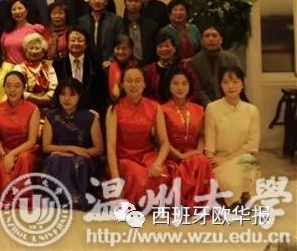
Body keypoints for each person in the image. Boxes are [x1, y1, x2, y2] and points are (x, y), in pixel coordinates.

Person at [106, 67, 170, 207]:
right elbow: (110, 146)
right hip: (125, 158)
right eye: (128, 81)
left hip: (148, 156)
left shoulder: (155, 107)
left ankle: (148, 203)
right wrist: (115, 179)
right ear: (122, 85)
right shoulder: (114, 109)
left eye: (138, 80)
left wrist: (158, 163)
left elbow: (165, 143)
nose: (133, 85)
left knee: (161, 175)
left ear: (144, 84)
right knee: (139, 177)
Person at [42, 78, 104, 210]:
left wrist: (76, 154)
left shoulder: (90, 117)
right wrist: (72, 149)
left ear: (79, 96)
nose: (66, 99)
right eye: (63, 94)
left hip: (83, 158)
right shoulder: (51, 116)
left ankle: (75, 199)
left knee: (77, 162)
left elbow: (99, 149)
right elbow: (46, 147)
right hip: (58, 156)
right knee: (56, 160)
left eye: (72, 94)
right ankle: (58, 199)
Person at [204, 67, 260, 205]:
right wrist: (211, 159)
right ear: (220, 85)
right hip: (218, 160)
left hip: (242, 157)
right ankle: (237, 199)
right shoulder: (212, 108)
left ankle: (242, 196)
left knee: (249, 161)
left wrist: (227, 158)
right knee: (228, 176)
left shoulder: (252, 110)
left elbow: (252, 145)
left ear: (242, 84)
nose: (230, 86)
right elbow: (209, 141)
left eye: (235, 82)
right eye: (226, 82)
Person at [160, 71, 214, 207]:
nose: (180, 88)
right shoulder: (162, 110)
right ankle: (184, 202)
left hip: (193, 154)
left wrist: (198, 152)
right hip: (171, 155)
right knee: (185, 166)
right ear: (169, 86)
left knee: (201, 161)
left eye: (184, 84)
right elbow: (161, 140)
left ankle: (198, 203)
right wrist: (180, 155)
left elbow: (201, 135)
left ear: (190, 86)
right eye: (176, 83)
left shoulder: (199, 109)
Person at [0, 72, 41, 201]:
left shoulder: (33, 109)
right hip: (3, 150)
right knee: (2, 167)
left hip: (27, 150)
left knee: (24, 159)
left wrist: (12, 154)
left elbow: (32, 141)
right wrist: (4, 155)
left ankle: (24, 197)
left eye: (17, 86)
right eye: (8, 86)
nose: (12, 90)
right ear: (4, 87)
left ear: (24, 88)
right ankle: (7, 197)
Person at [143, 33, 201, 104]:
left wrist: (184, 103)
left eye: (167, 46)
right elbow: (147, 92)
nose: (163, 49)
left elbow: (196, 89)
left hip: (182, 106)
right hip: (157, 107)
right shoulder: (149, 69)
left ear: (174, 49)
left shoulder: (185, 67)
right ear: (156, 50)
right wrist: (157, 106)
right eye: (160, 46)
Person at [77, 0, 126, 70]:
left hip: (110, 65)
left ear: (106, 1)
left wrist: (111, 60)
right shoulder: (81, 21)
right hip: (87, 66)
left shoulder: (116, 20)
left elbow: (121, 43)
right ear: (89, 2)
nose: (97, 1)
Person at [189, 26, 241, 105]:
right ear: (202, 41)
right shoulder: (194, 62)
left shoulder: (232, 60)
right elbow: (197, 89)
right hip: (204, 105)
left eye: (214, 35)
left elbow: (237, 83)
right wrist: (209, 105)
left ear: (221, 40)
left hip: (230, 102)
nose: (211, 39)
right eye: (207, 36)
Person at [13, 33, 58, 113]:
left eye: (37, 48)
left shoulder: (48, 67)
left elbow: (54, 88)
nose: (34, 51)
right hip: (24, 109)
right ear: (26, 51)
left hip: (47, 109)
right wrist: (40, 99)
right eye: (31, 48)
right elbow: (17, 90)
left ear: (43, 52)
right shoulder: (19, 68)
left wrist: (45, 98)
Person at [0, 0, 44, 65]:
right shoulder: (7, 31)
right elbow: (2, 53)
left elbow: (38, 54)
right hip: (9, 70)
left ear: (27, 10)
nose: (17, 12)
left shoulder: (34, 29)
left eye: (20, 8)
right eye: (14, 9)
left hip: (27, 69)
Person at [122, 0, 159, 65]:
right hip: (126, 65)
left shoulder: (152, 25)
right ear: (125, 3)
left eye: (136, 1)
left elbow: (156, 47)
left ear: (141, 3)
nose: (133, 4)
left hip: (148, 65)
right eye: (130, 1)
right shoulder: (120, 24)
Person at [107, 34, 141, 104]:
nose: (120, 51)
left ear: (131, 50)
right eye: (118, 48)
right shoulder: (108, 68)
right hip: (114, 105)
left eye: (124, 49)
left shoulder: (138, 67)